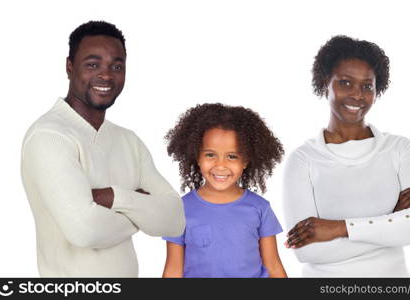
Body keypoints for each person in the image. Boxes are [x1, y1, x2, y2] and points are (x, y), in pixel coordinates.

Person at [21, 21, 185, 277]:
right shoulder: (49, 136)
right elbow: (85, 231)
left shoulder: (128, 141)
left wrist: (112, 197)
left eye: (116, 66)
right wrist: (141, 212)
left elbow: (175, 219)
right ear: (69, 67)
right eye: (93, 64)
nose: (106, 75)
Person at [283, 35, 410, 277]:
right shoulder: (303, 160)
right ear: (325, 83)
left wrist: (338, 228)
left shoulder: (400, 150)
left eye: (367, 86)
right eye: (345, 83)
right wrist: (391, 222)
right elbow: (307, 251)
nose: (357, 95)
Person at [161, 103, 287, 277]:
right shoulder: (180, 209)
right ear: (197, 156)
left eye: (232, 156)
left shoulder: (260, 209)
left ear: (245, 161)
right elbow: (173, 271)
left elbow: (273, 266)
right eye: (210, 155)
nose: (220, 166)